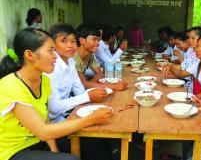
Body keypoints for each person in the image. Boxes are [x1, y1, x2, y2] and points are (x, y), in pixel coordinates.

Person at [0, 28, 113, 160]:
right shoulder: (11, 86)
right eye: (50, 50)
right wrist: (91, 118)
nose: (55, 56)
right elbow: (43, 131)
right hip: (14, 150)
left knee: (94, 138)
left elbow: (45, 121)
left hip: (41, 141)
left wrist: (54, 150)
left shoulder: (44, 80)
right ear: (30, 55)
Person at [47, 23, 108, 123]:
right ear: (53, 45)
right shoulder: (52, 67)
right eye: (64, 41)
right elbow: (53, 107)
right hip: (52, 121)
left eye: (73, 41)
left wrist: (92, 98)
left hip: (66, 113)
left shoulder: (70, 61)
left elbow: (79, 89)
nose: (70, 45)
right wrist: (88, 97)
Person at [75, 23, 128, 91]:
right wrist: (113, 86)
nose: (98, 43)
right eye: (94, 39)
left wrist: (89, 84)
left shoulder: (90, 55)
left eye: (98, 40)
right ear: (82, 40)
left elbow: (100, 74)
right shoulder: (73, 57)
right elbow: (83, 84)